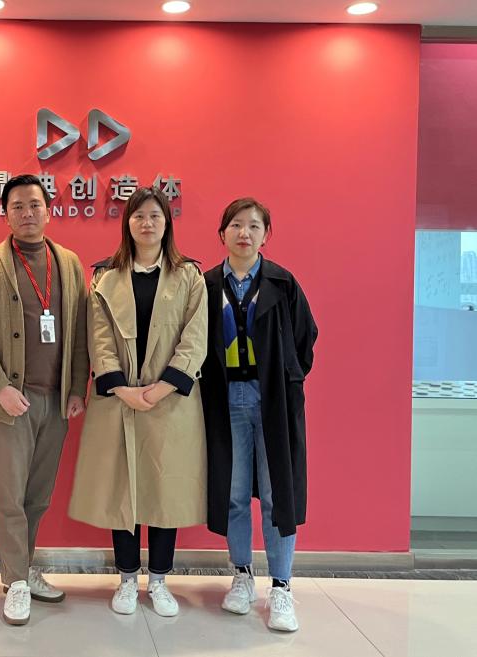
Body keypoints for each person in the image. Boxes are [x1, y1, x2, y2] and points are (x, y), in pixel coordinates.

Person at [68, 186, 208, 617]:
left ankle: (160, 581)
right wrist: (123, 388)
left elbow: (195, 338)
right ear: (127, 223)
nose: (147, 223)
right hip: (120, 400)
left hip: (171, 402)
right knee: (122, 490)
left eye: (155, 216)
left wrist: (161, 388)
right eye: (138, 216)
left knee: (165, 491)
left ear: (167, 224)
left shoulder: (189, 276)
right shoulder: (105, 277)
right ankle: (127, 578)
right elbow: (98, 337)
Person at [0, 174, 89, 626]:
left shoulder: (68, 263)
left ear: (48, 210)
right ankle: (15, 581)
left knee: (38, 495)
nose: (27, 213)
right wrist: (0, 386)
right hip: (11, 400)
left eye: (34, 204)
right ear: (5, 214)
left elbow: (80, 330)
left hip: (56, 400)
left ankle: (25, 567)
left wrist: (77, 387)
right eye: (17, 206)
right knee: (9, 495)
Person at [199, 197, 318, 632]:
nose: (244, 233)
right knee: (233, 494)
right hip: (226, 399)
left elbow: (305, 338)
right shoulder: (207, 285)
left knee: (275, 494)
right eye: (235, 225)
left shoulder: (282, 283)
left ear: (266, 234)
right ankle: (242, 576)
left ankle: (281, 587)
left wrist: (284, 379)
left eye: (253, 225)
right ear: (222, 234)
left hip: (272, 402)